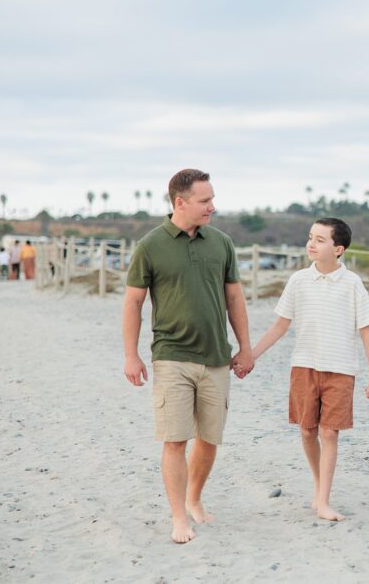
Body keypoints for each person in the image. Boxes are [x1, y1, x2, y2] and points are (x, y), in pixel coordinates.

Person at [122, 169, 253, 544]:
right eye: (205, 200)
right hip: (171, 356)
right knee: (175, 439)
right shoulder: (150, 246)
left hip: (217, 357)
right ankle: (179, 517)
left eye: (212, 199)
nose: (213, 206)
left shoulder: (222, 243)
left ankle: (194, 498)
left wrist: (244, 347)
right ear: (180, 203)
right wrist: (131, 356)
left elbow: (234, 298)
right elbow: (133, 303)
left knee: (210, 438)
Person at [250, 217, 369, 522]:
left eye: (320, 240)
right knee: (307, 431)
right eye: (311, 237)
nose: (311, 243)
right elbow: (281, 324)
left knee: (328, 432)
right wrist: (251, 355)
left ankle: (323, 500)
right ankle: (319, 485)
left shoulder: (353, 283)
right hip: (304, 365)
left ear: (338, 249)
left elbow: (366, 331)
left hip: (340, 369)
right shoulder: (298, 280)